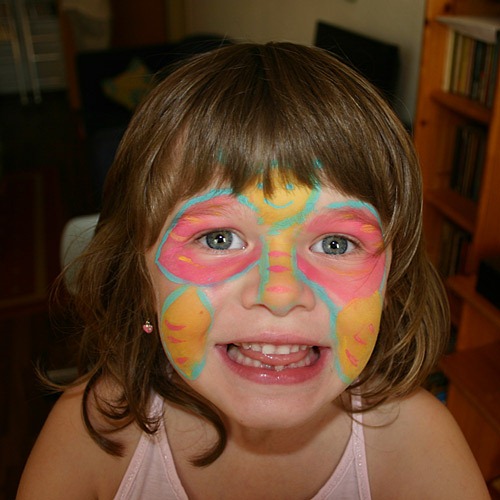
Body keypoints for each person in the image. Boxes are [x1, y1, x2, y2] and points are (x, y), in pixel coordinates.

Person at [17, 42, 489, 500]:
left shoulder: (418, 445)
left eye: (336, 243)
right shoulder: (94, 431)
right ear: (139, 279)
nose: (280, 292)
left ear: (391, 282)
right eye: (218, 239)